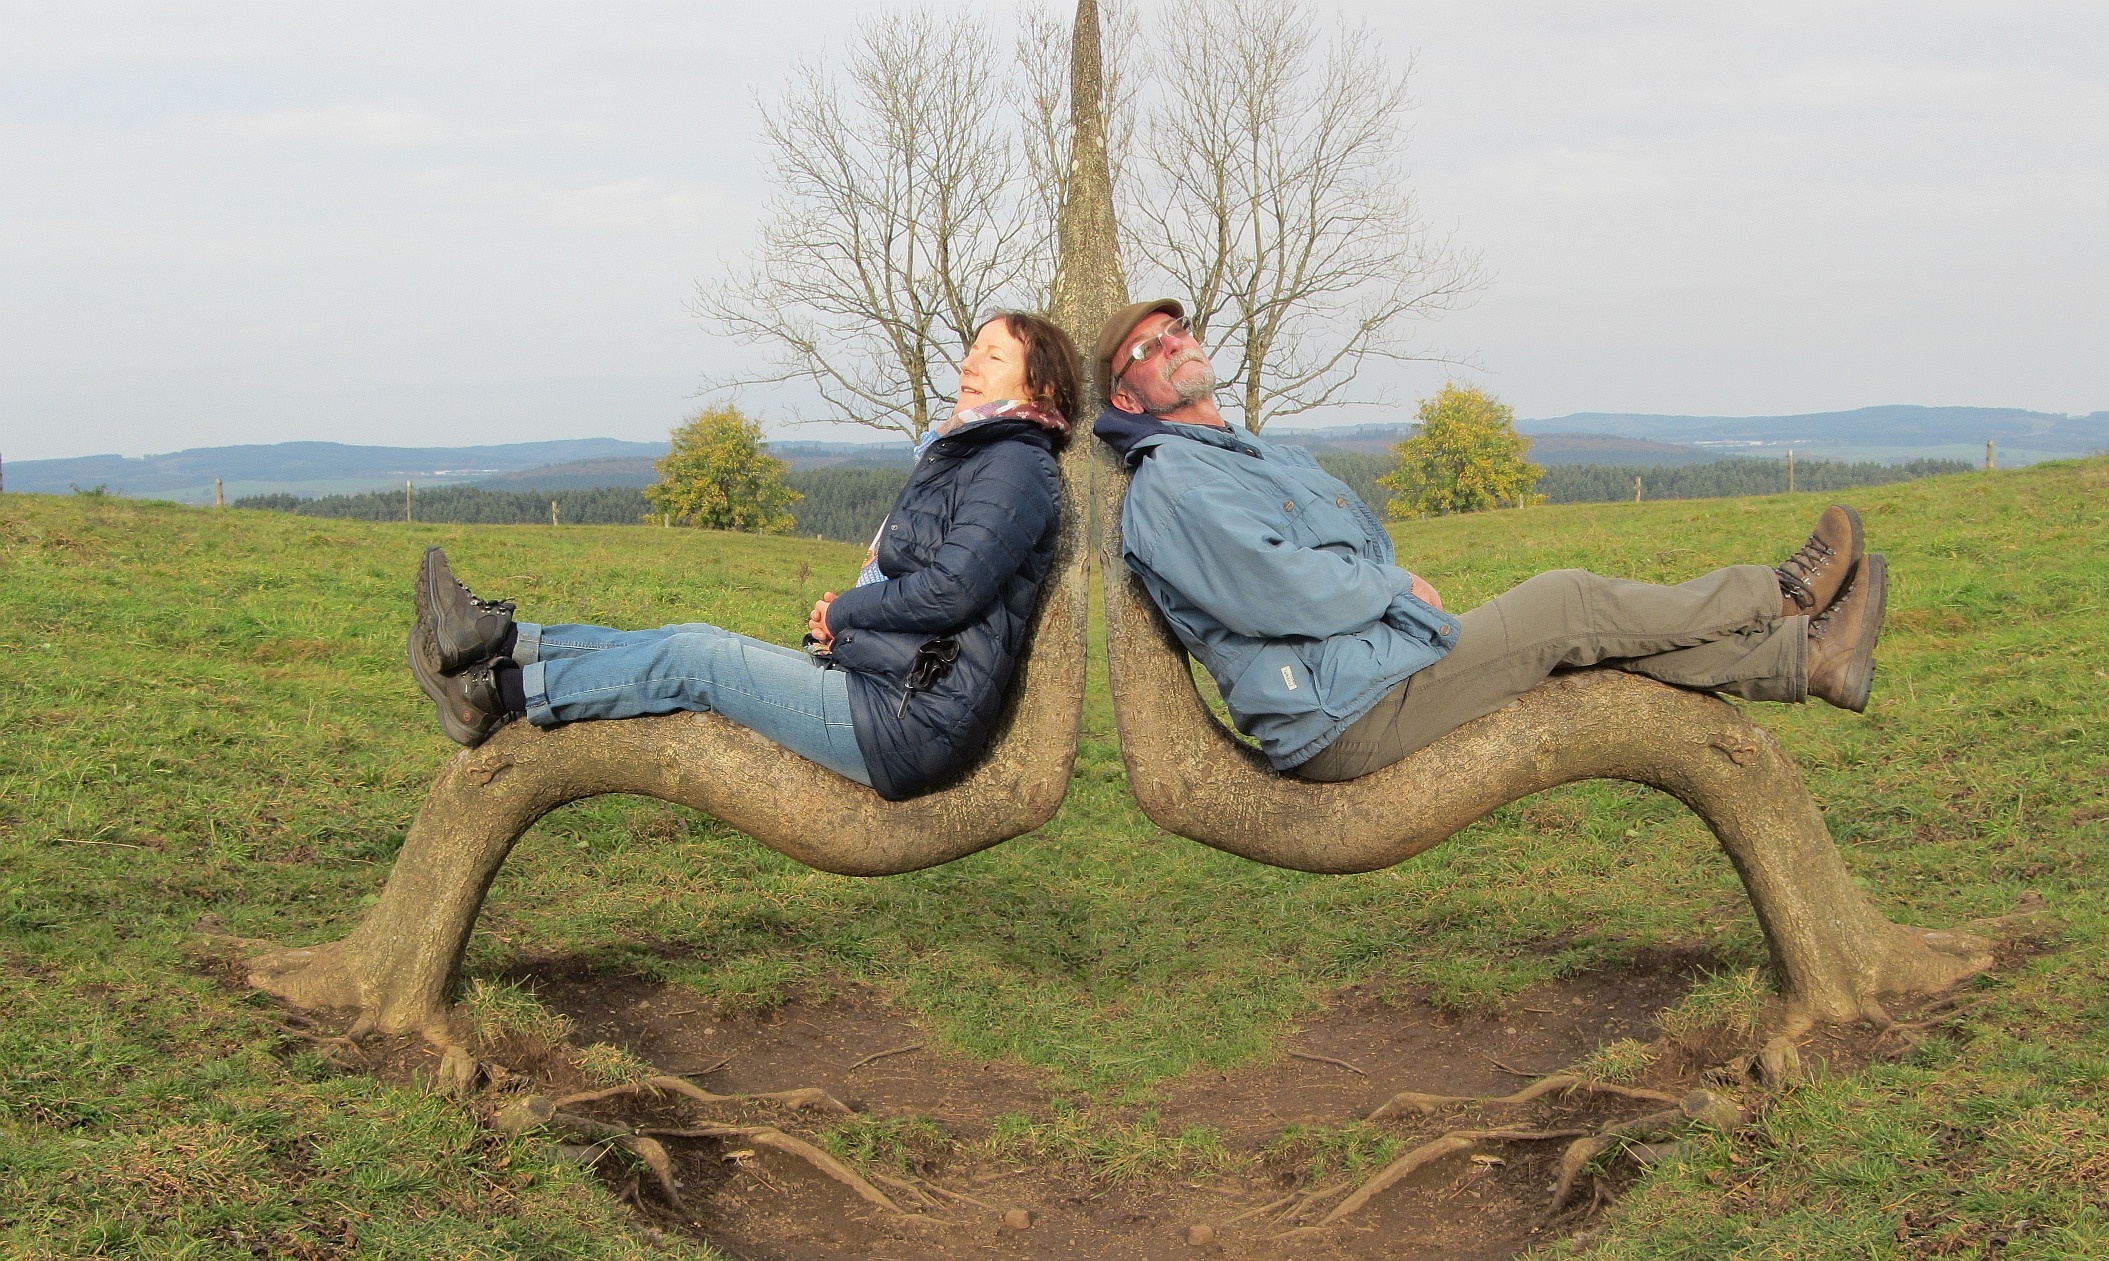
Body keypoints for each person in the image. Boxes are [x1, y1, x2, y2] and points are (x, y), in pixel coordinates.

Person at [1091, 298, 1887, 783]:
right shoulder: (1171, 481)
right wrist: (1393, 588)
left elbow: (1350, 543)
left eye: (1177, 331)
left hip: (1368, 671)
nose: (1173, 345)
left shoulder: (1237, 449)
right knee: (1568, 602)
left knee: (1592, 636)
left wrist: (1385, 586)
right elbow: (1276, 587)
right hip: (1339, 713)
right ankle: (1781, 596)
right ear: (1126, 393)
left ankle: (1807, 657)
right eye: (1148, 350)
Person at [408, 311, 1078, 802]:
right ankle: (503, 640)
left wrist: (847, 611)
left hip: (905, 722)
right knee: (688, 638)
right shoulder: (979, 454)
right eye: (972, 349)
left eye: (991, 356)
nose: (968, 363)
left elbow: (951, 589)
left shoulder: (1014, 465)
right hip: (889, 688)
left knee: (698, 660)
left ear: (1040, 387)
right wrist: (847, 619)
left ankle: (493, 694)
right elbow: (932, 586)